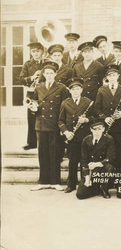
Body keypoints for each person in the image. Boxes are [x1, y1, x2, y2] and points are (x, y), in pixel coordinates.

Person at [28, 61, 69, 191]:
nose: (49, 75)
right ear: (44, 74)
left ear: (55, 74)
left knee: (55, 154)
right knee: (43, 153)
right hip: (40, 124)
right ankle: (43, 181)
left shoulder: (61, 87)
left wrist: (63, 126)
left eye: (52, 73)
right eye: (47, 73)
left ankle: (55, 181)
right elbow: (33, 104)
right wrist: (33, 108)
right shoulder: (38, 87)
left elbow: (65, 107)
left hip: (55, 125)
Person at [58, 77, 93, 193]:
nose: (75, 91)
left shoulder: (88, 102)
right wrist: (66, 132)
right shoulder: (65, 103)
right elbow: (60, 121)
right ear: (69, 91)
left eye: (78, 89)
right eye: (73, 89)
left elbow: (95, 118)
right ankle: (71, 184)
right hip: (71, 137)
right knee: (72, 161)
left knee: (85, 161)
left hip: (85, 137)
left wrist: (87, 120)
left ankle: (85, 183)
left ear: (81, 90)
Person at [94, 64, 121, 159]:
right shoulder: (101, 90)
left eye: (114, 75)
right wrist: (105, 118)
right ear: (107, 77)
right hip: (106, 125)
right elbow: (96, 108)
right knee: (107, 149)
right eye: (110, 75)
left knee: (119, 148)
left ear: (118, 76)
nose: (112, 77)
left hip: (120, 125)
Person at [76, 117, 116, 199]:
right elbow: (84, 160)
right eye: (94, 129)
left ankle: (104, 188)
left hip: (102, 168)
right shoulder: (86, 140)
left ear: (103, 129)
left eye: (99, 129)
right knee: (80, 195)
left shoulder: (109, 139)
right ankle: (97, 188)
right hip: (90, 170)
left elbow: (111, 158)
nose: (97, 132)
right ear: (91, 130)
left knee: (109, 167)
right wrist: (87, 177)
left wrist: (97, 164)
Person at [19, 42, 44, 150]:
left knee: (45, 117)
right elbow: (21, 79)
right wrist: (32, 77)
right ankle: (32, 142)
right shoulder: (27, 64)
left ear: (42, 51)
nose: (36, 53)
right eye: (33, 51)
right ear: (30, 52)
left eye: (38, 51)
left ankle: (43, 142)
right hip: (32, 94)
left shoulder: (47, 63)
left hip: (44, 93)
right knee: (32, 118)